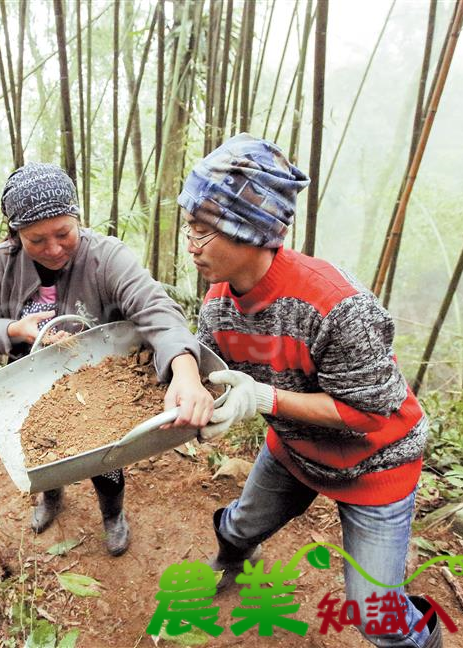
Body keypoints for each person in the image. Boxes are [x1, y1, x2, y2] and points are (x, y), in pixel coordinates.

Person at [180, 134, 438, 647]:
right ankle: (232, 558)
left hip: (376, 466)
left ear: (249, 230)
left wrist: (264, 399)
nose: (191, 243)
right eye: (189, 224)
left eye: (204, 230)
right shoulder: (217, 304)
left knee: (378, 620)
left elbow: (369, 414)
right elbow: (211, 366)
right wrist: (193, 388)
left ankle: (423, 639)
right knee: (237, 526)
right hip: (294, 451)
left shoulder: (336, 306)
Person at [0, 163, 215, 556]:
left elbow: (157, 310)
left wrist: (185, 369)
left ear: (77, 219)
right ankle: (51, 497)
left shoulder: (106, 258)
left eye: (64, 234)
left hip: (97, 390)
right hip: (34, 390)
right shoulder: (2, 263)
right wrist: (17, 330)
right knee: (44, 453)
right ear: (16, 234)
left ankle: (112, 513)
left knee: (106, 464)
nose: (53, 249)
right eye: (36, 240)